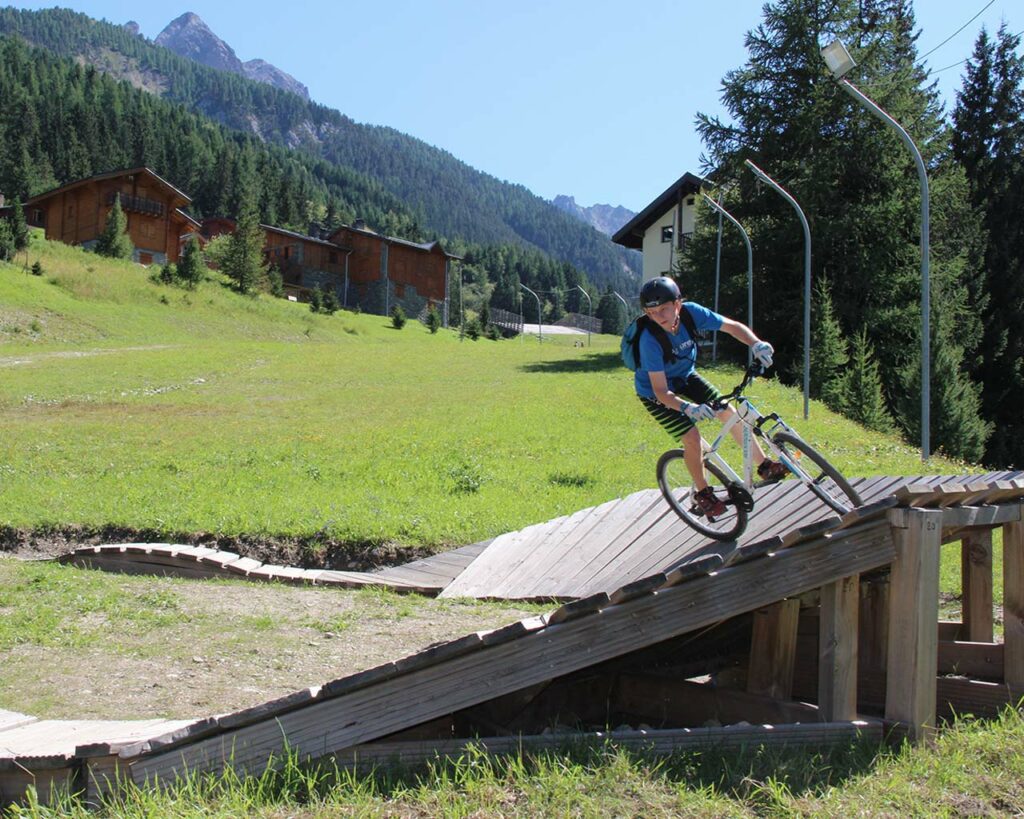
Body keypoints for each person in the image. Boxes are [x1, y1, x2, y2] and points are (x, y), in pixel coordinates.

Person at [635, 276, 786, 517]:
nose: (659, 316)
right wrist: (688, 408)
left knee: (728, 411)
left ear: (678, 304)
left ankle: (764, 465)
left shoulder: (692, 314)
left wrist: (756, 344)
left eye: (664, 308)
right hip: (655, 392)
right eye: (652, 312)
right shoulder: (649, 340)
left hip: (685, 376)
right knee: (692, 438)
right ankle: (702, 493)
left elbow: (732, 326)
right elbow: (661, 391)